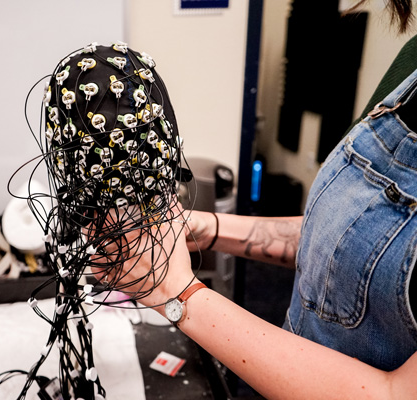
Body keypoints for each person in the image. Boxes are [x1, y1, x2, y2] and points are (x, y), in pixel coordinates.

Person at [97, 1, 417, 398]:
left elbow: (396, 393)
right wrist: (203, 227)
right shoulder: (411, 65)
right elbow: (346, 241)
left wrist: (176, 293)